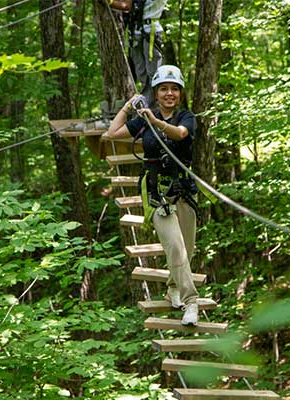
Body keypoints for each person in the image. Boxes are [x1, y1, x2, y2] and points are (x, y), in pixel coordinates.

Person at [106, 65, 199, 326]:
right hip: (158, 195)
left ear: (180, 93)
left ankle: (173, 289)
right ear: (156, 94)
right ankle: (192, 303)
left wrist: (155, 122)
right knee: (176, 248)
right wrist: (129, 106)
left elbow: (180, 134)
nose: (169, 94)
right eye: (163, 89)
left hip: (184, 192)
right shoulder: (144, 119)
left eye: (174, 89)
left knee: (186, 251)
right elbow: (112, 134)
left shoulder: (186, 117)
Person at [107, 0, 167, 104]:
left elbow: (126, 5)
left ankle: (155, 107)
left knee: (153, 73)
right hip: (135, 32)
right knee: (141, 72)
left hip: (151, 30)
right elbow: (127, 5)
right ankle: (146, 103)